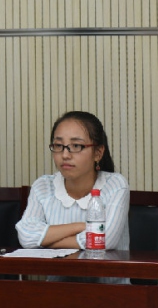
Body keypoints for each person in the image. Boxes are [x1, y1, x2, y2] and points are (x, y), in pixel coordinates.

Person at [17, 111, 130, 282]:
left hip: (110, 293)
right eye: (58, 145)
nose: (65, 155)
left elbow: (106, 240)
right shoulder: (43, 186)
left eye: (76, 146)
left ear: (98, 153)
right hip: (57, 292)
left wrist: (46, 241)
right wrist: (81, 226)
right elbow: (26, 237)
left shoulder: (115, 184)